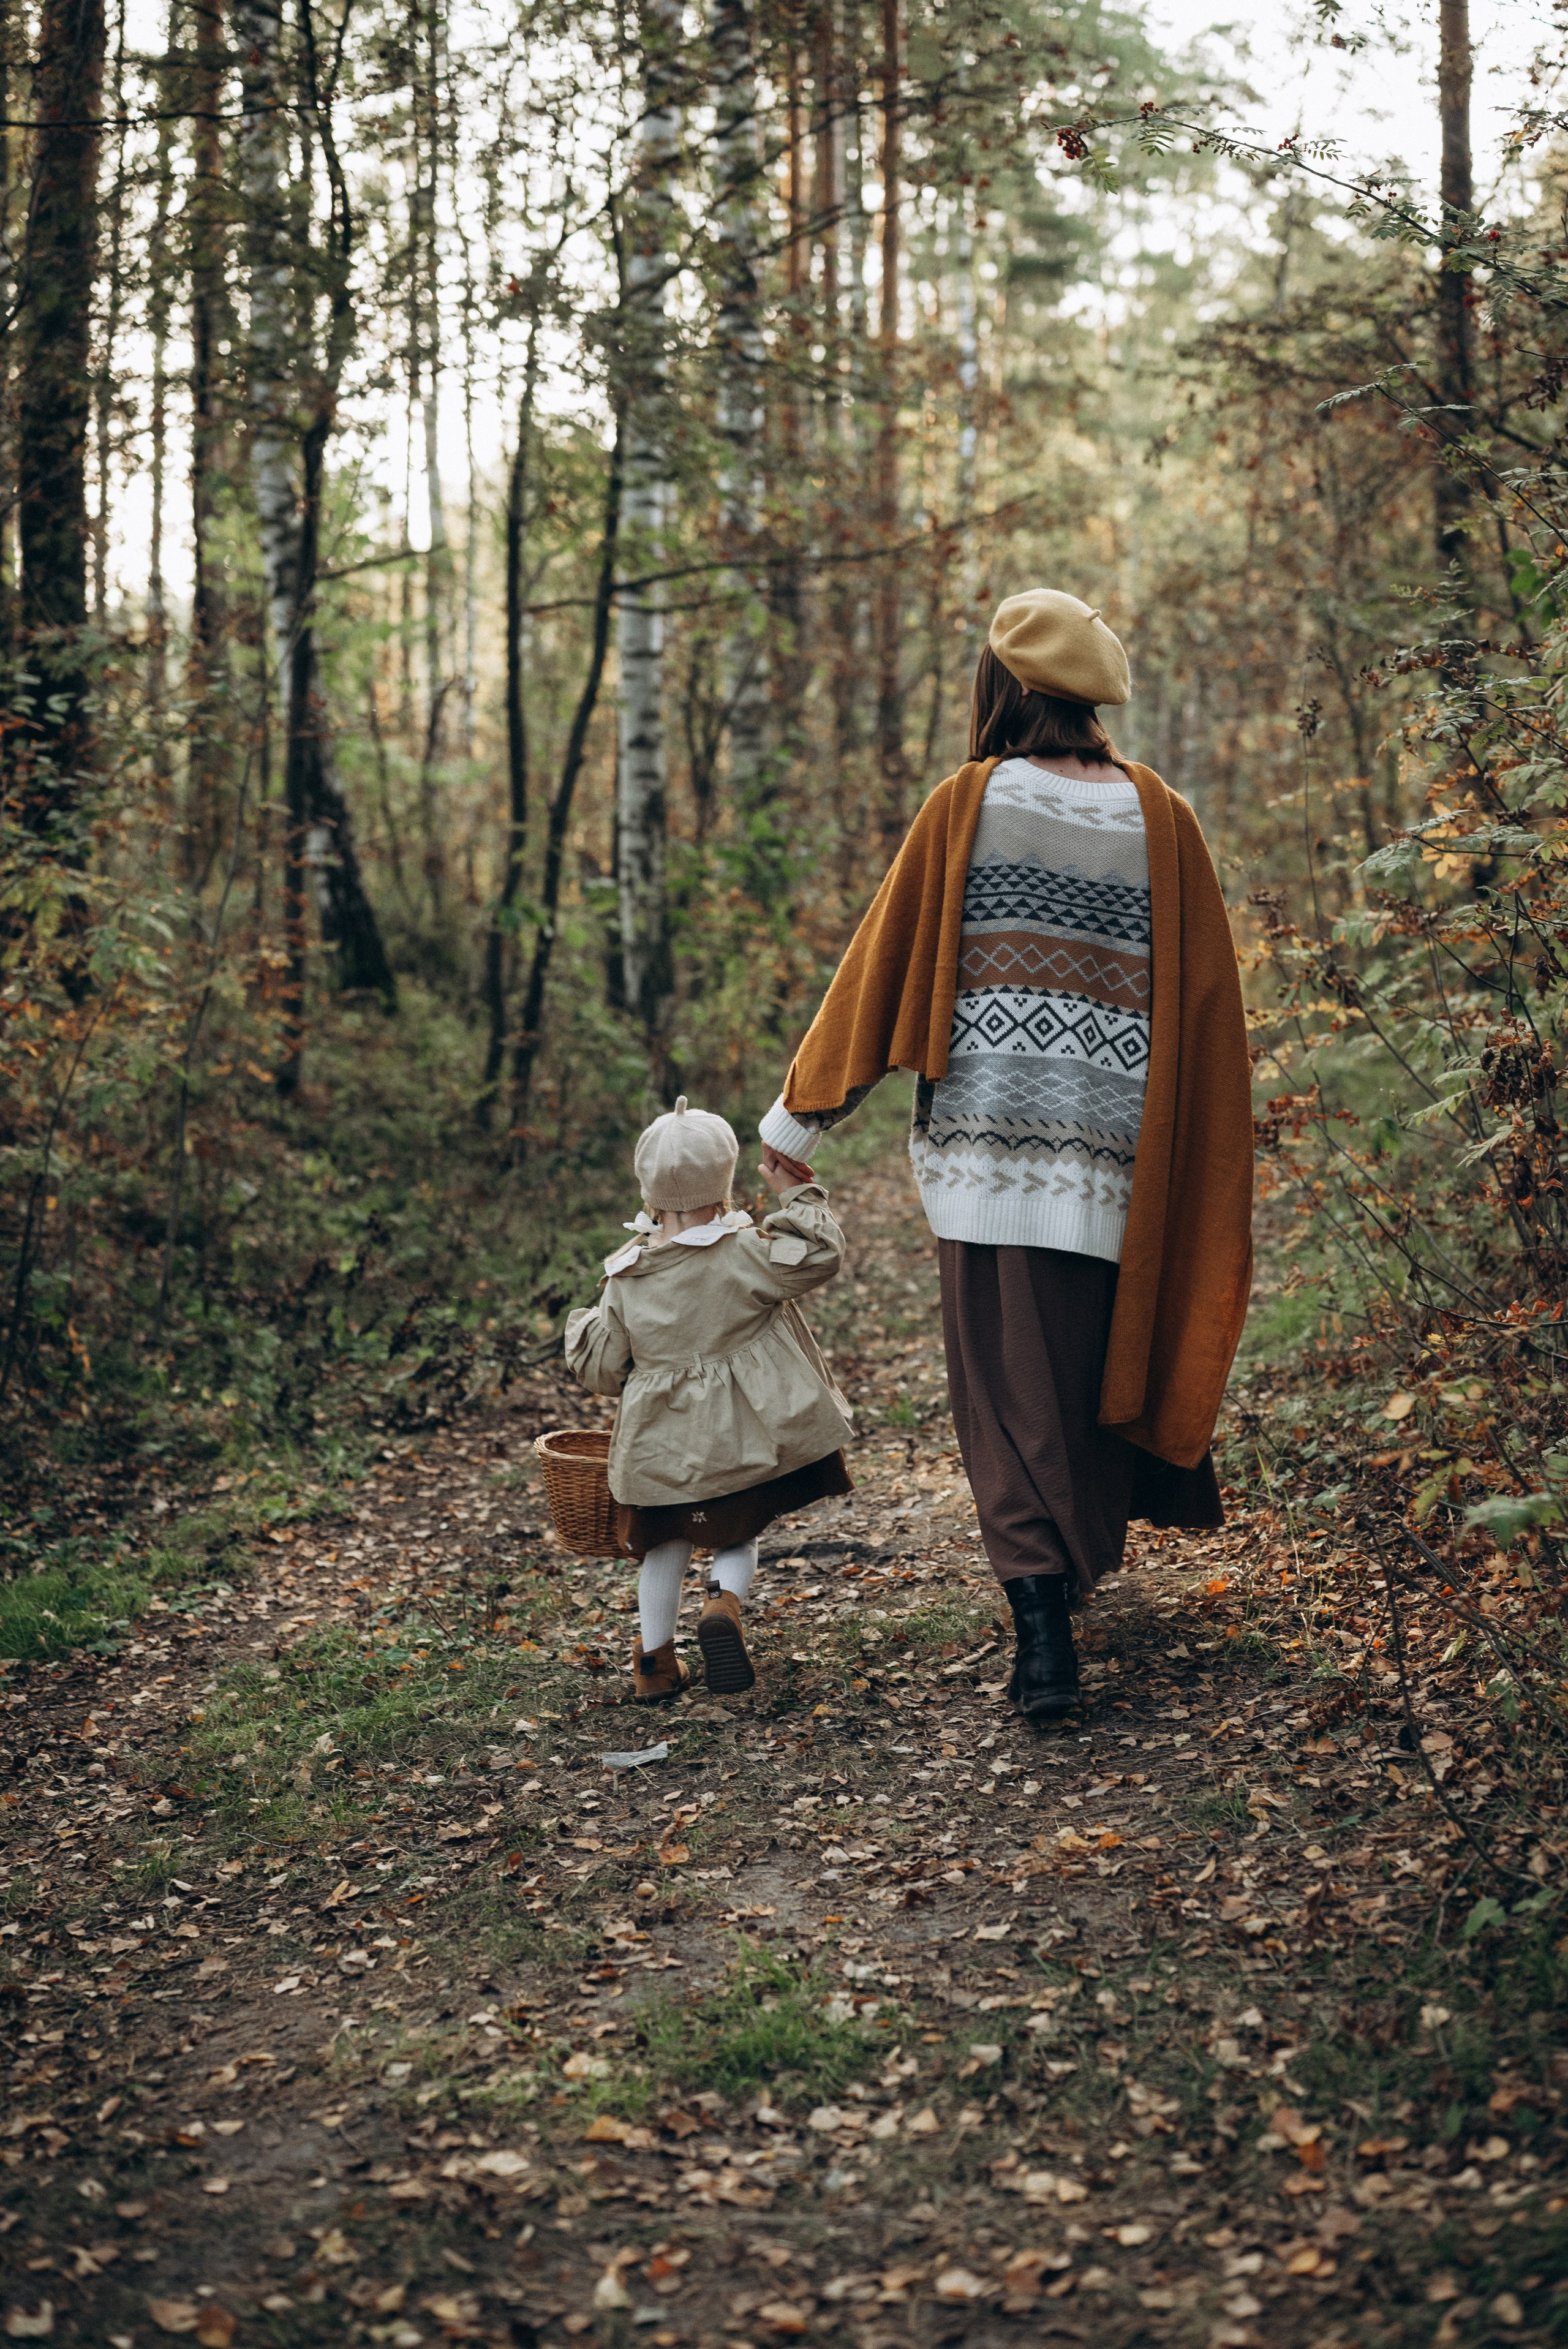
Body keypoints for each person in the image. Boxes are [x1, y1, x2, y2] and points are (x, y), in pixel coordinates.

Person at [758, 589, 1253, 1725]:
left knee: (1007, 1392)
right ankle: (1062, 1589)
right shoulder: (1163, 818)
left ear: (1007, 690)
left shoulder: (968, 803)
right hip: (1122, 1169)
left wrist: (799, 1121)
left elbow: (881, 964)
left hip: (988, 1158)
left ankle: (1041, 1631)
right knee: (1083, 1378)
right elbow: (1211, 1010)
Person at [565, 1098, 853, 1703]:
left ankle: (654, 1665)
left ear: (647, 1189)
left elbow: (601, 1368)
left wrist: (588, 1320)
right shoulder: (744, 1252)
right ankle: (722, 1602)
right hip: (740, 1438)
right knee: (735, 1532)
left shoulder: (627, 1275)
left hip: (660, 1450)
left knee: (664, 1545)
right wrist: (795, 1194)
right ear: (724, 1180)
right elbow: (819, 1254)